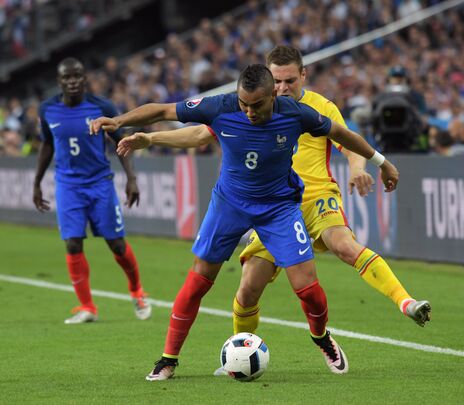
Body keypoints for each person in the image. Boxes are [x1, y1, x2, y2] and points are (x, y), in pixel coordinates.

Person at [93, 64, 399, 381]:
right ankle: (168, 359)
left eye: (257, 105)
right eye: (244, 104)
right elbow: (163, 109)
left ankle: (321, 338)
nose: (249, 111)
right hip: (229, 204)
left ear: (273, 96)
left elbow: (343, 134)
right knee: (199, 279)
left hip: (279, 208)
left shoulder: (295, 113)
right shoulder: (221, 106)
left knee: (307, 288)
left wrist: (383, 163)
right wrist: (120, 121)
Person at [224, 46, 430, 362]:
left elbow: (348, 143)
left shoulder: (321, 107)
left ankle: (406, 302)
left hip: (318, 198)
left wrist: (359, 169)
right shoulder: (256, 108)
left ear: (303, 75)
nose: (282, 88)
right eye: (276, 81)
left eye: (289, 80)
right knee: (249, 288)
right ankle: (238, 354)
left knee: (345, 246)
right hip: (274, 209)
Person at [33, 57, 152, 324]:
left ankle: (137, 292)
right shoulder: (47, 109)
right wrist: (36, 182)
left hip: (99, 183)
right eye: (67, 77)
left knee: (117, 244)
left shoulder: (101, 107)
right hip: (67, 185)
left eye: (77, 76)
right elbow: (47, 145)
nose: (73, 81)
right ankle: (87, 307)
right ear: (59, 81)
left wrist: (131, 178)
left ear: (85, 79)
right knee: (73, 242)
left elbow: (121, 143)